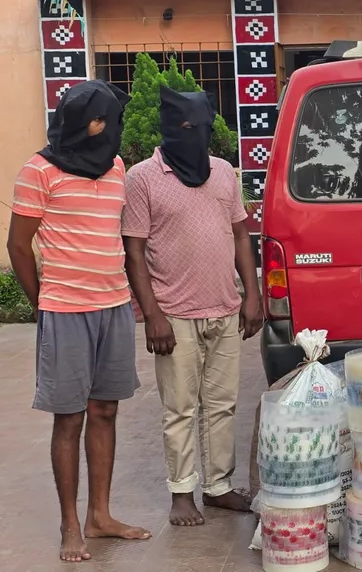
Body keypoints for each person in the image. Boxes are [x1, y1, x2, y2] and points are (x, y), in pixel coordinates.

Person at [7, 80, 151, 563]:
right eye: (102, 120)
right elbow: (18, 245)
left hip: (113, 307)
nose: (108, 128)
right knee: (68, 417)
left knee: (105, 412)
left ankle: (101, 516)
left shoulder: (115, 167)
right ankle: (71, 524)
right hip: (65, 310)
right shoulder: (38, 171)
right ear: (83, 122)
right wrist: (42, 303)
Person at [122, 86, 262, 527]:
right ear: (168, 129)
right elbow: (134, 251)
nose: (195, 135)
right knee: (180, 408)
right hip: (174, 314)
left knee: (222, 405)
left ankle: (218, 486)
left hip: (224, 307)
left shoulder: (223, 172)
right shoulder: (143, 178)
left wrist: (252, 294)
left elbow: (241, 234)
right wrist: (152, 315)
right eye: (186, 128)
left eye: (202, 127)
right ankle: (182, 491)